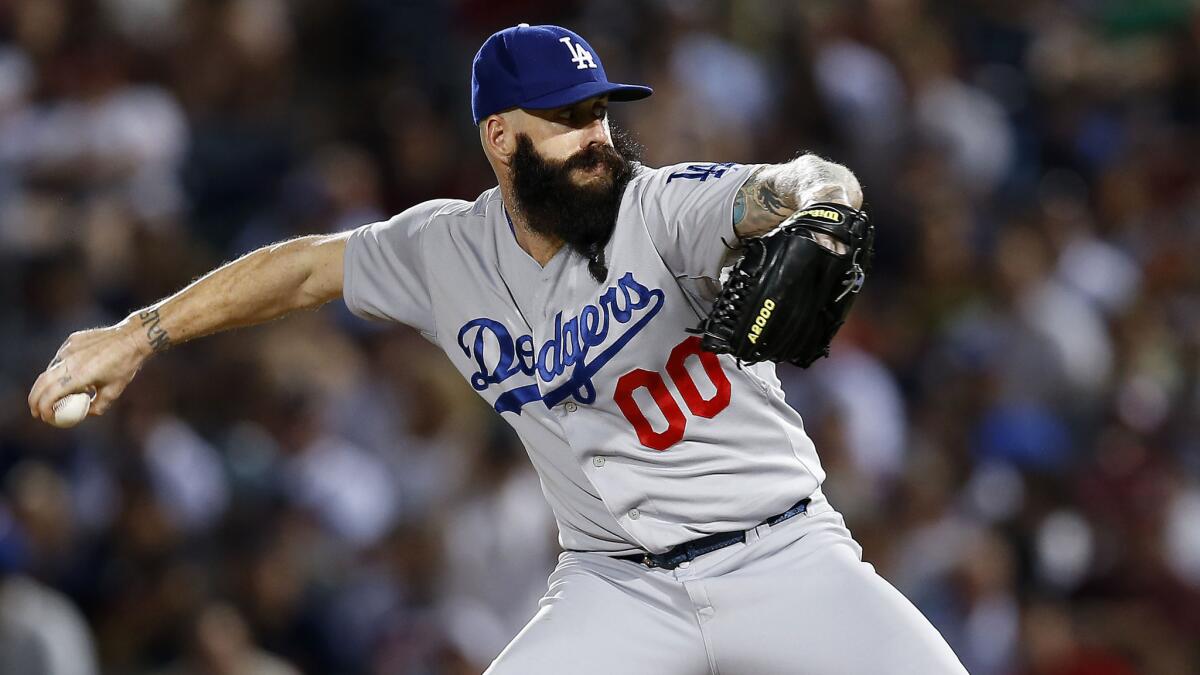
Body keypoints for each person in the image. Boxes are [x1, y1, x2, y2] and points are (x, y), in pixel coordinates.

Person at [29, 23, 967, 674]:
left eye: (598, 111)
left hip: (782, 554)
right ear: (499, 136)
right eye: (567, 120)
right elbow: (305, 269)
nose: (597, 137)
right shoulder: (446, 252)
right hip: (617, 589)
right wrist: (140, 331)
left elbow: (798, 182)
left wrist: (829, 198)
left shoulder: (664, 206)